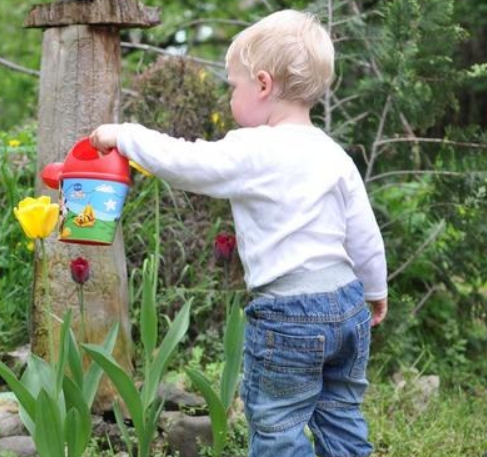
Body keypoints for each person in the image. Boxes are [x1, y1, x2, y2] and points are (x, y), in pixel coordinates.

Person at [90, 9, 387, 457]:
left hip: (289, 316)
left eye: (234, 86)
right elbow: (363, 231)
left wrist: (123, 134)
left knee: (278, 426)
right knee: (341, 416)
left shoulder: (254, 149)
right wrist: (376, 289)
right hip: (346, 305)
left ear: (263, 85)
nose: (230, 96)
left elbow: (184, 162)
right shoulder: (332, 153)